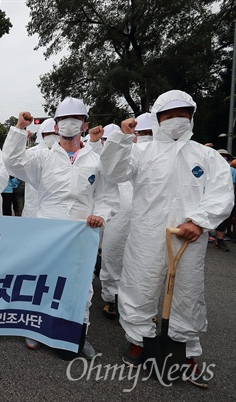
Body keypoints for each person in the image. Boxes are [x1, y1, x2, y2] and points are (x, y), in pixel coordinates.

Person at [99, 89, 234, 388]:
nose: (176, 120)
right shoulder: (140, 152)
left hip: (189, 238)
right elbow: (112, 171)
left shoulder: (206, 155)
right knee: (140, 286)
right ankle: (138, 341)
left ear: (192, 117)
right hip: (147, 233)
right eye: (169, 115)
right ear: (158, 119)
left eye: (182, 114)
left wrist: (199, 221)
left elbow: (222, 193)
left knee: (188, 294)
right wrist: (122, 138)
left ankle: (185, 352)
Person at [2, 97, 118, 360]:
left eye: (75, 119)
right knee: (44, 280)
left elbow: (108, 195)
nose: (69, 125)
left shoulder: (96, 159)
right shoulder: (43, 155)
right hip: (49, 228)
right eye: (63, 120)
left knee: (81, 284)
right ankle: (36, 329)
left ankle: (78, 334)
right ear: (55, 125)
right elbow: (11, 162)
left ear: (85, 125)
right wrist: (20, 129)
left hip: (82, 229)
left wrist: (100, 214)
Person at [98, 115, 152, 319]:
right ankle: (134, 302)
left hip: (126, 209)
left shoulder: (143, 151)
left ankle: (114, 297)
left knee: (117, 254)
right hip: (127, 208)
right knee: (140, 259)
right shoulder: (132, 149)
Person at [213, 149, 236, 251]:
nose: (223, 158)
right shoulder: (210, 168)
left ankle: (220, 240)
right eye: (221, 155)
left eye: (225, 156)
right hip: (211, 196)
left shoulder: (232, 170)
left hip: (225, 197)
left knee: (223, 218)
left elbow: (233, 185)